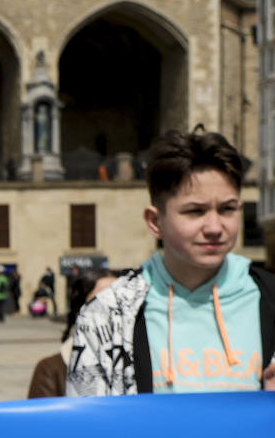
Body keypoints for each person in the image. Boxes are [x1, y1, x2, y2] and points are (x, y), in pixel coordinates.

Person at [68, 126, 275, 398]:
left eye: (227, 209)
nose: (214, 226)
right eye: (195, 211)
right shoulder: (107, 317)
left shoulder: (270, 299)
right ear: (155, 222)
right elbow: (87, 431)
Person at [28, 270, 116, 398]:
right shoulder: (52, 370)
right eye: (103, 300)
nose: (116, 308)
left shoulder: (144, 362)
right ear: (79, 311)